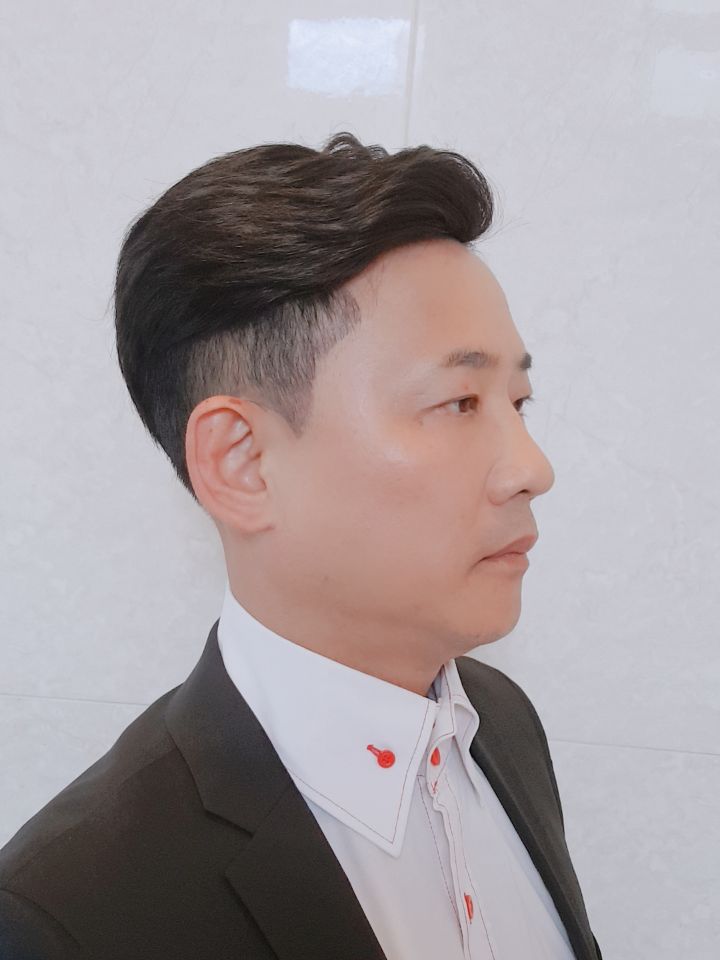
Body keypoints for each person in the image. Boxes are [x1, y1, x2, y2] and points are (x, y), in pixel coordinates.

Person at [0, 132, 603, 959]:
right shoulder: (68, 915)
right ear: (242, 463)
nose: (532, 469)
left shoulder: (501, 723)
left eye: (519, 401)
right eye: (460, 403)